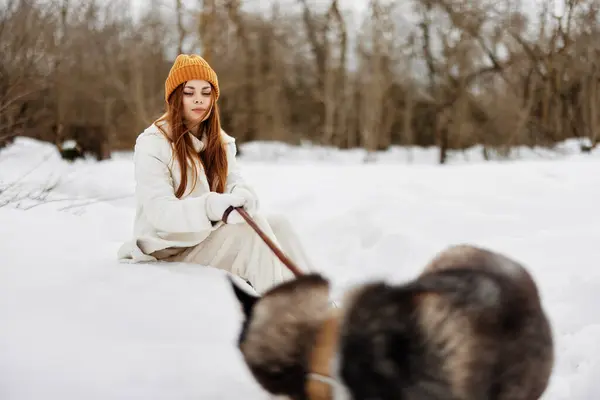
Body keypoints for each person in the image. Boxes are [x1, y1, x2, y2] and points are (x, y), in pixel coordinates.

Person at [117, 54, 315, 294]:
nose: (198, 100)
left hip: (204, 238)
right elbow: (160, 212)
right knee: (250, 235)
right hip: (168, 248)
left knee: (278, 226)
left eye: (205, 92)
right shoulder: (152, 143)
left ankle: (318, 306)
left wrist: (241, 195)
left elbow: (233, 182)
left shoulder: (220, 143)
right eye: (189, 92)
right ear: (175, 97)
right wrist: (210, 207)